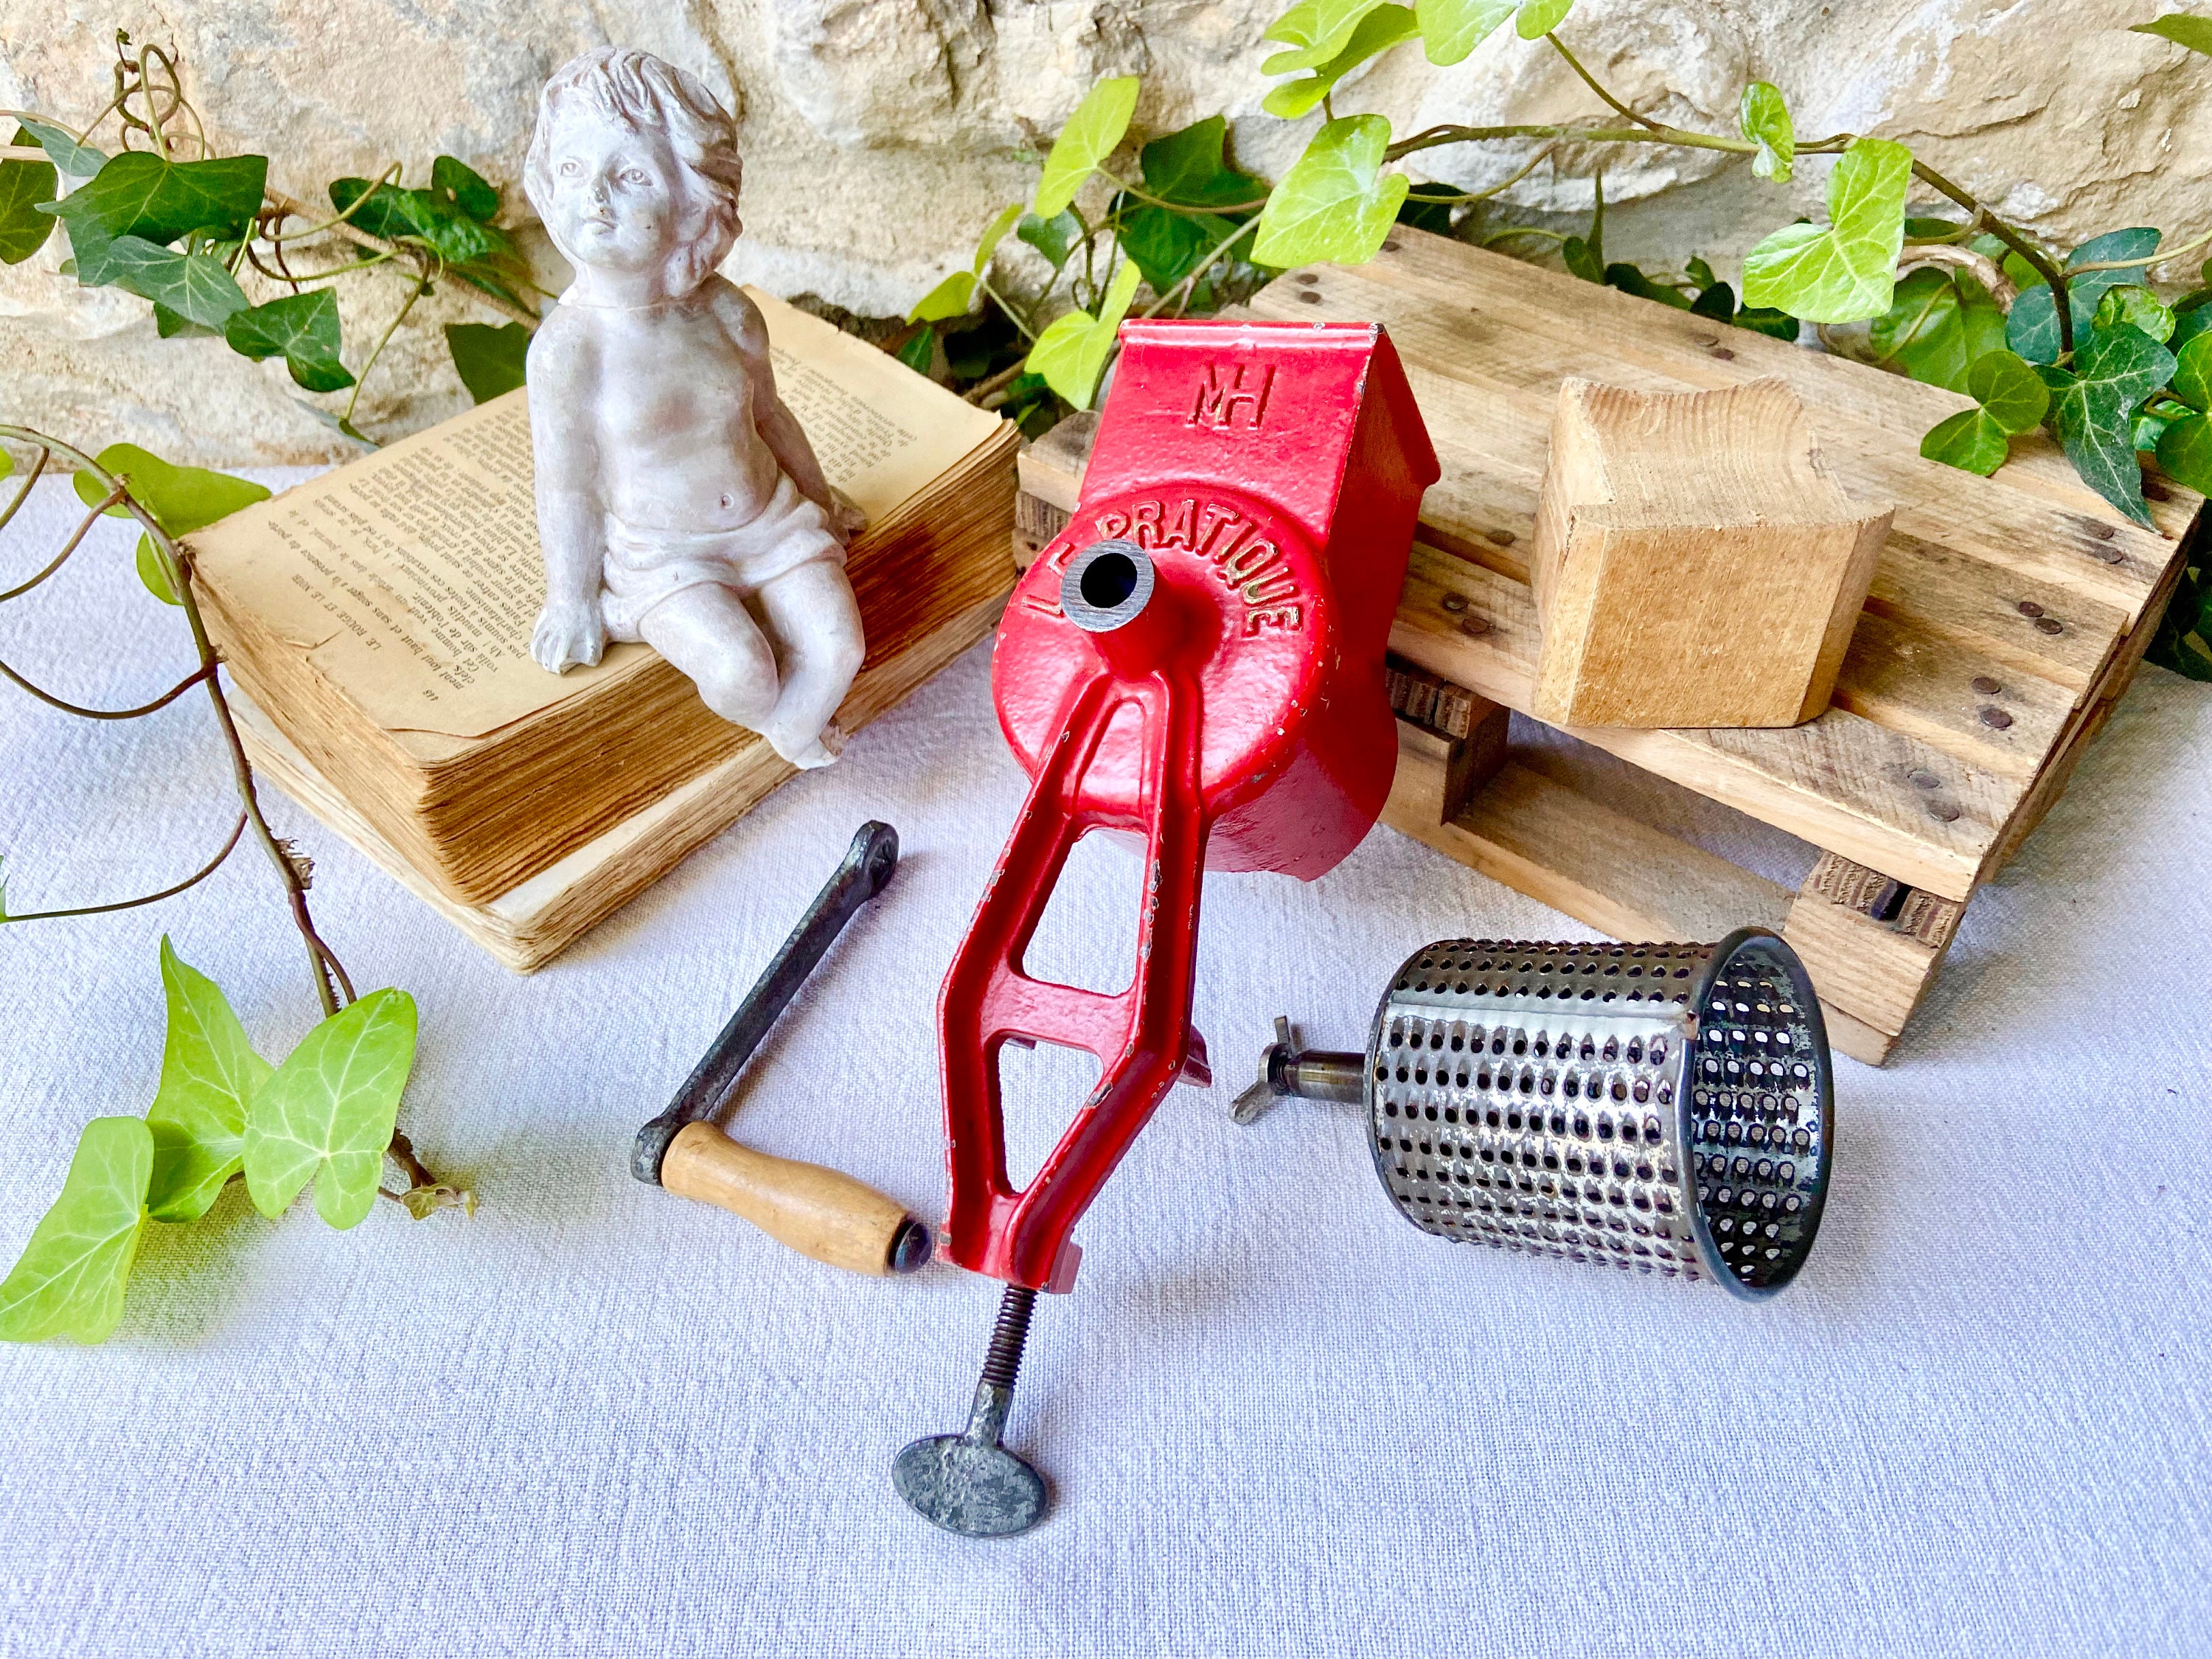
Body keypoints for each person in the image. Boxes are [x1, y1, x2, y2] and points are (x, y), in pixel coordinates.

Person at [521, 46, 866, 769]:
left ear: (689, 203)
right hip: (663, 553)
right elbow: (567, 487)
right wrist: (571, 600)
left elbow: (770, 418)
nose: (596, 196)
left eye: (632, 176)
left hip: (770, 522)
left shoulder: (725, 313)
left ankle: (791, 732)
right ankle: (628, 613)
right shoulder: (568, 350)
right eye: (574, 169)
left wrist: (821, 500)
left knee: (841, 647)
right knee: (744, 676)